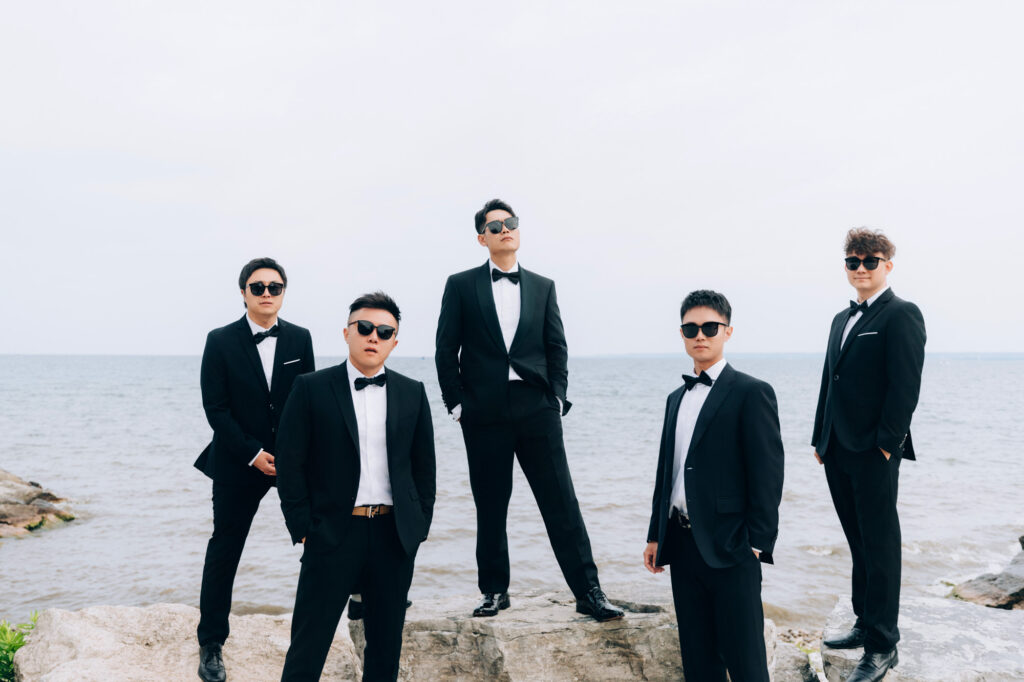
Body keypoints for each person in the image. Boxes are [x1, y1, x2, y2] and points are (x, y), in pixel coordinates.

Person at [434, 198, 622, 621]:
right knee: (490, 504)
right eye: (494, 225)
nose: (504, 229)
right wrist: (457, 405)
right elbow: (446, 348)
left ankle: (588, 591)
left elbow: (557, 345)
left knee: (561, 501)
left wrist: (557, 397)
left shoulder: (543, 286)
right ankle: (494, 591)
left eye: (510, 222)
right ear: (482, 238)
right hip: (483, 411)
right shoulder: (460, 285)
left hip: (536, 406)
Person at [276, 292, 436, 681]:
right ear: (347, 333)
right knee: (308, 645)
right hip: (332, 532)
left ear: (394, 341)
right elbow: (291, 463)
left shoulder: (413, 392)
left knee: (385, 648)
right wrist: (303, 527)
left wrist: (417, 528)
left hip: (392, 535)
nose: (373, 336)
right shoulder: (310, 388)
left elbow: (424, 470)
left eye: (384, 331)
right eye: (364, 328)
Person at [643, 289, 784, 682]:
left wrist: (758, 543)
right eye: (691, 328)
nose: (700, 335)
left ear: (728, 331)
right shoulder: (675, 398)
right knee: (699, 662)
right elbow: (667, 472)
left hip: (732, 546)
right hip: (682, 545)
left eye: (709, 327)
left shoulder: (751, 392)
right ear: (682, 334)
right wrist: (655, 535)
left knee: (746, 663)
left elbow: (768, 472)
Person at [812, 229, 925, 682]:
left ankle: (882, 644)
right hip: (837, 447)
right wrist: (820, 438)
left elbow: (905, 385)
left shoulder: (902, 314)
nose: (860, 268)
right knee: (857, 541)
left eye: (870, 261)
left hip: (875, 450)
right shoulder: (840, 318)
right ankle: (864, 621)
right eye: (853, 261)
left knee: (880, 546)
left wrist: (887, 444)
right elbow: (830, 380)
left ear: (887, 265)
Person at [194, 257, 315, 682]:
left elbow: (308, 400)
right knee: (225, 549)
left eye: (274, 287)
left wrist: (294, 454)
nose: (266, 293)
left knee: (320, 537)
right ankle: (211, 642)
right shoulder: (219, 340)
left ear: (283, 292)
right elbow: (216, 408)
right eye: (258, 287)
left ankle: (349, 602)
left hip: (291, 460)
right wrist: (253, 453)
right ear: (243, 292)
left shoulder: (300, 338)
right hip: (237, 460)